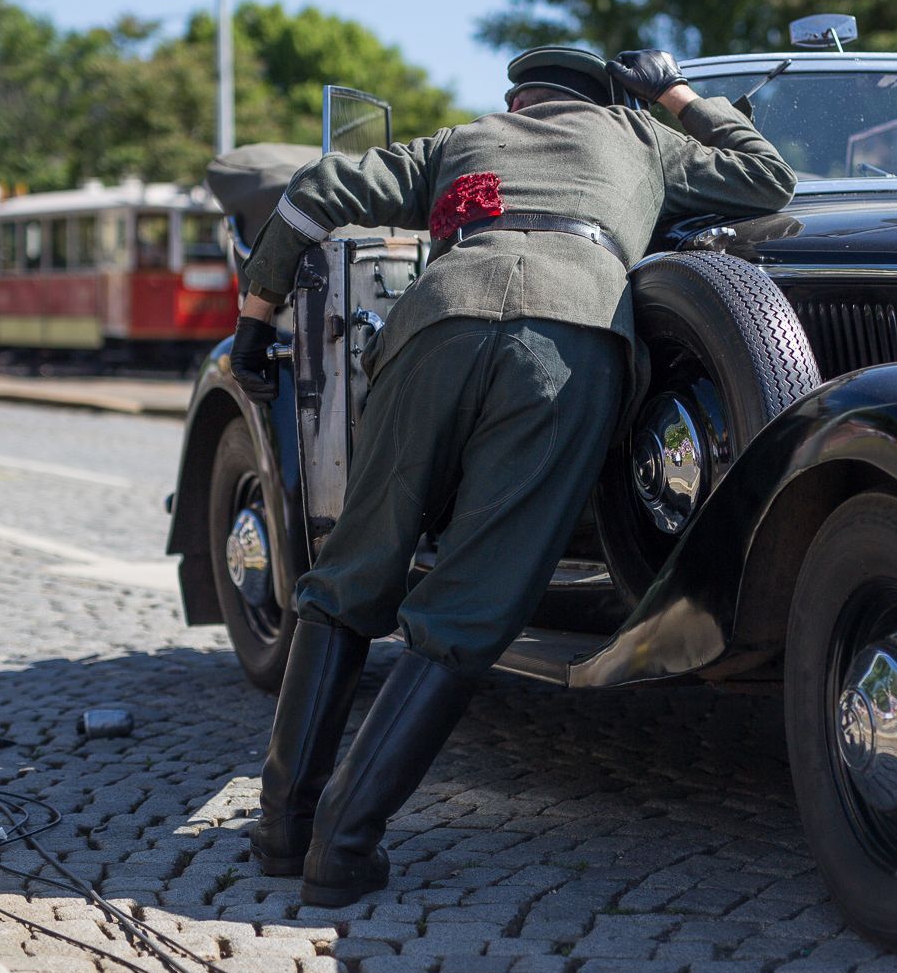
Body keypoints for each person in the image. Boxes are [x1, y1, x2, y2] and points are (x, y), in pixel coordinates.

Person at [228, 47, 796, 906]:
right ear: (611, 97)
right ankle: (341, 851)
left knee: (351, 569)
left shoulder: (461, 140)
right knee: (471, 601)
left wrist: (252, 322)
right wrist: (674, 92)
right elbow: (768, 178)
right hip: (567, 338)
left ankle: (280, 828)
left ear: (519, 101)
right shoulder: (640, 136)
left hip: (434, 325)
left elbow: (313, 195)